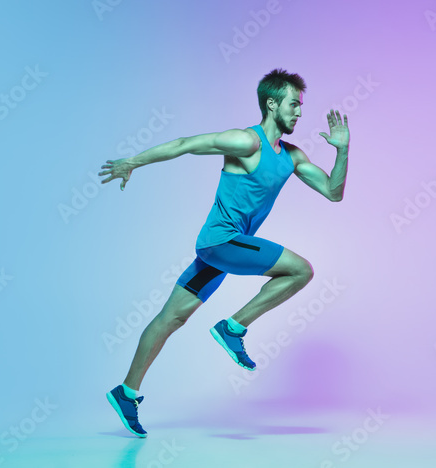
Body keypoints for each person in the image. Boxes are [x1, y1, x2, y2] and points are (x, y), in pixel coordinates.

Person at [97, 68, 349, 437]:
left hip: (226, 249)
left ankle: (126, 391)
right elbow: (185, 143)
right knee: (301, 270)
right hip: (221, 242)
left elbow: (333, 191)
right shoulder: (246, 142)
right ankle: (233, 327)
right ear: (271, 103)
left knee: (172, 318)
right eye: (293, 105)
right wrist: (132, 162)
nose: (298, 113)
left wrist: (342, 151)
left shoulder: (292, 156)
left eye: (300, 106)